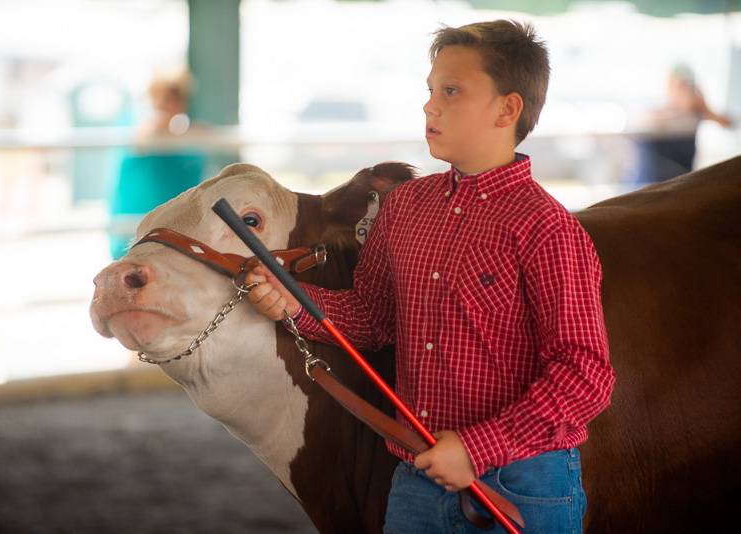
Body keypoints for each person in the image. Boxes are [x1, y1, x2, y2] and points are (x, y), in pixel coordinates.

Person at [246, 20, 615, 533]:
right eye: (430, 90)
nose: (429, 106)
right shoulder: (406, 208)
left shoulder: (546, 228)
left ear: (508, 109)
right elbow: (373, 320)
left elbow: (586, 375)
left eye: (452, 91)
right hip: (417, 476)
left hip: (525, 482)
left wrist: (476, 447)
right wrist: (291, 301)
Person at [107, 67, 208, 259]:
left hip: (174, 236)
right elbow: (147, 135)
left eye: (175, 97)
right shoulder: (140, 132)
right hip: (137, 233)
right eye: (164, 96)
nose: (168, 103)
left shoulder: (187, 142)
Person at [628, 64, 733, 185]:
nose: (683, 91)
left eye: (686, 86)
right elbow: (639, 124)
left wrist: (705, 108)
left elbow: (728, 123)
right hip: (649, 183)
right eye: (679, 86)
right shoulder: (655, 111)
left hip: (680, 182)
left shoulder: (696, 112)